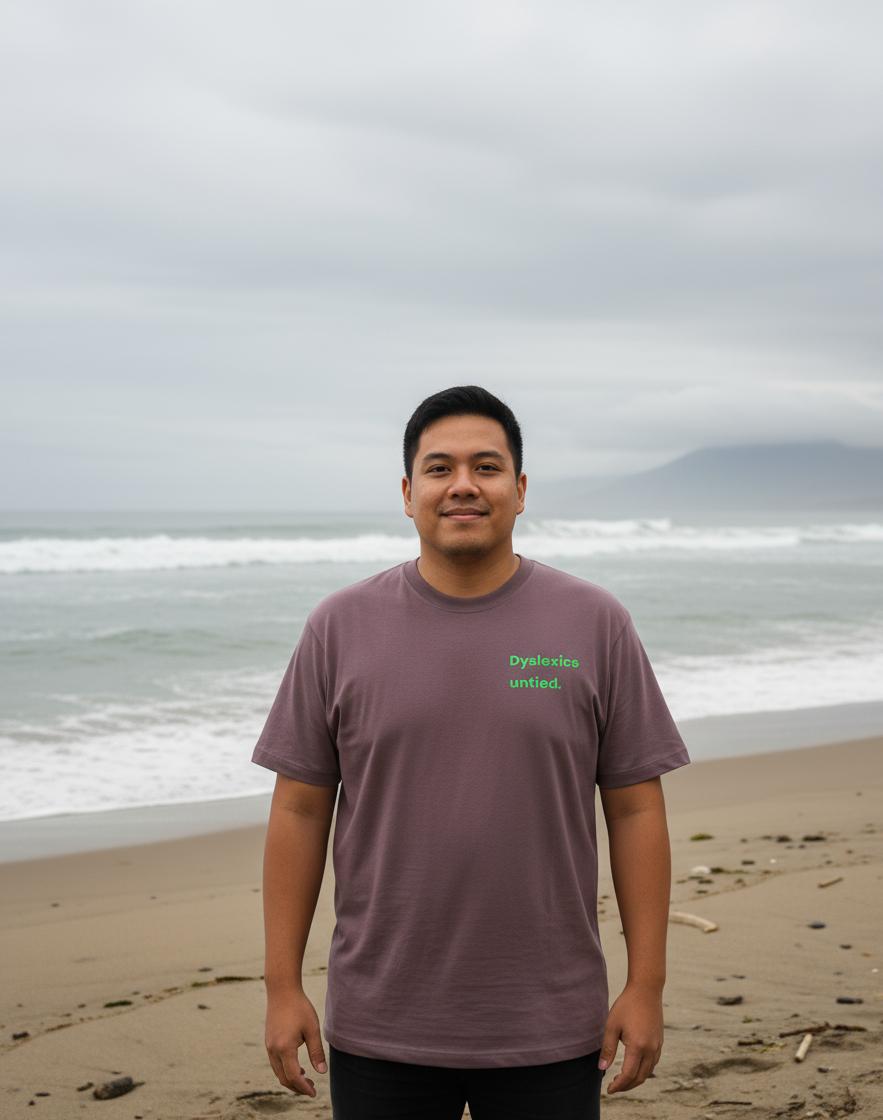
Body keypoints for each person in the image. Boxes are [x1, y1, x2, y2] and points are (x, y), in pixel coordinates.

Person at [253, 385, 689, 1119]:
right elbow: (298, 809)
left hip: (550, 1024)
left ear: (519, 491)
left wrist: (645, 987)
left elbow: (637, 808)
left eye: (486, 468)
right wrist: (282, 986)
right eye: (438, 468)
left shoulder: (595, 622)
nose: (462, 485)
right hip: (380, 1020)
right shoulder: (339, 627)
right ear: (407, 492)